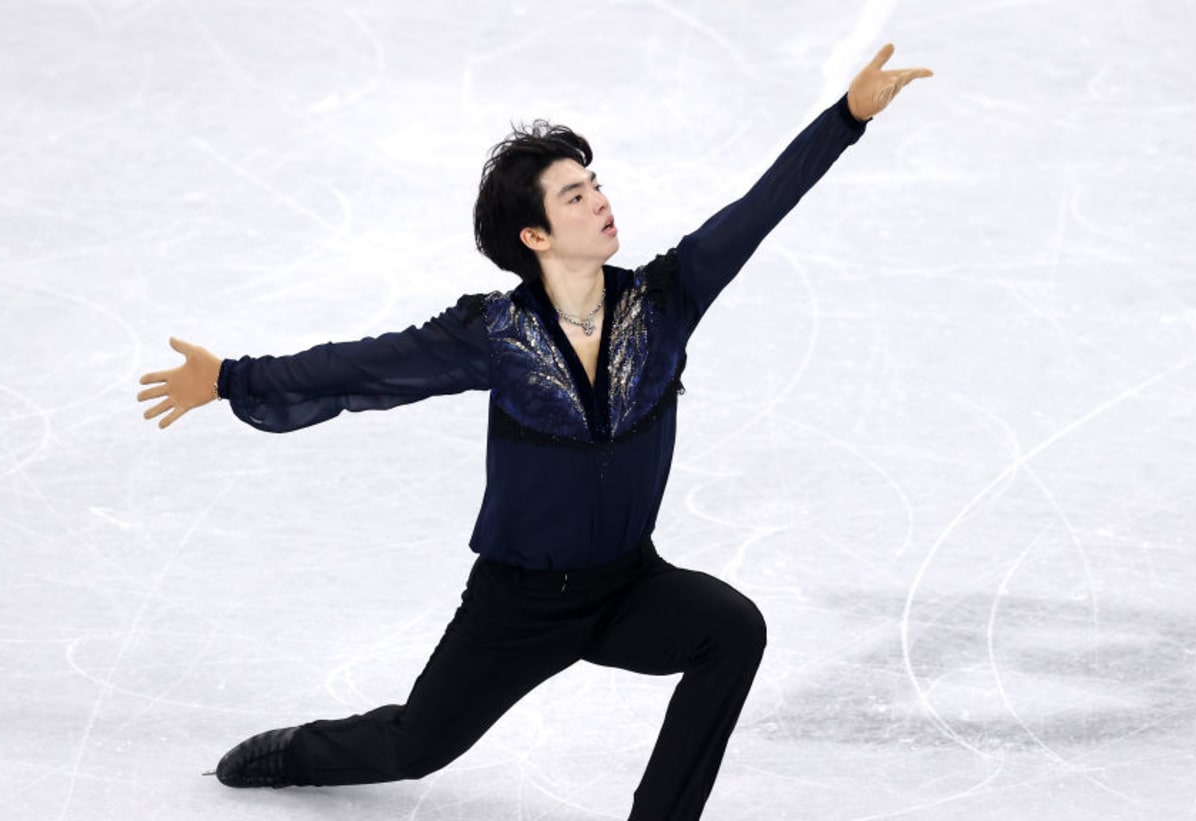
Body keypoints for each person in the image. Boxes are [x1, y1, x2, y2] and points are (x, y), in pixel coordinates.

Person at [137, 43, 930, 821]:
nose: (600, 201)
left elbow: (758, 210)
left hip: (629, 585)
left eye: (595, 184)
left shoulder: (664, 300)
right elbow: (358, 365)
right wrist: (231, 377)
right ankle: (297, 754)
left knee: (732, 629)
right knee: (417, 745)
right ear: (535, 237)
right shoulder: (495, 334)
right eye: (574, 196)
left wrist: (845, 118)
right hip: (518, 604)